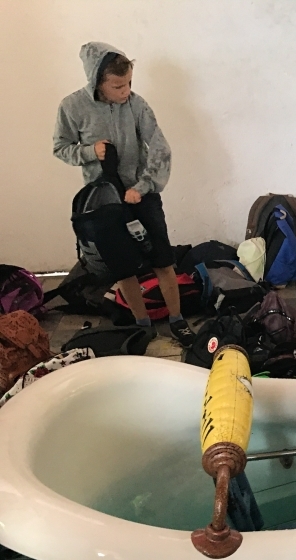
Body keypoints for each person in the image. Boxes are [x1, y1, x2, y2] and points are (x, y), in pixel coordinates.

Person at [54, 42, 196, 347]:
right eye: (118, 86)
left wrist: (143, 186)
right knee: (123, 267)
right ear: (97, 82)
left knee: (163, 259)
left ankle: (177, 320)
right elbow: (60, 147)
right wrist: (90, 152)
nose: (126, 91)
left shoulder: (137, 105)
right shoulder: (71, 107)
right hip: (105, 204)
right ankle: (142, 324)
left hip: (141, 193)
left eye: (129, 83)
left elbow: (160, 148)